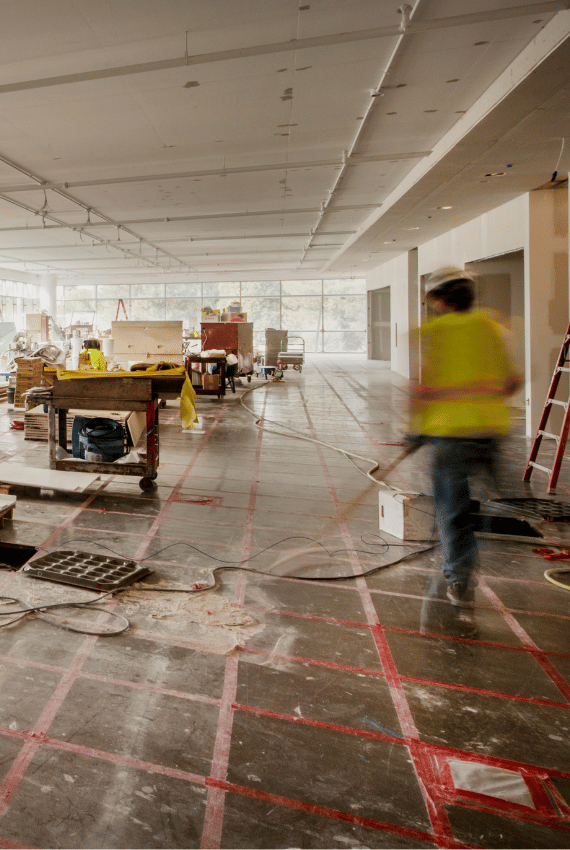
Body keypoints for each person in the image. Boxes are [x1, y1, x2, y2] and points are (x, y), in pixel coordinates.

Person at [409, 266, 522, 630]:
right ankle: (468, 554)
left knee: (452, 510)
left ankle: (460, 578)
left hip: (451, 435)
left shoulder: (433, 333)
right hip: (492, 433)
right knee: (486, 502)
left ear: (440, 300)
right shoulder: (497, 327)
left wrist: (415, 430)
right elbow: (512, 383)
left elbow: (422, 389)